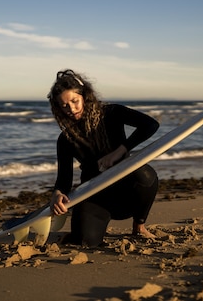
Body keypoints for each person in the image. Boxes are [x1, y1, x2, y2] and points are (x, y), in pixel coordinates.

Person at [48, 69, 160, 247]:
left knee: (144, 173)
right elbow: (64, 178)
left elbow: (150, 125)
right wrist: (57, 194)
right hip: (96, 195)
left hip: (127, 192)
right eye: (64, 106)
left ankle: (139, 226)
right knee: (86, 242)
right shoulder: (65, 139)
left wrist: (119, 151)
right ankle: (80, 230)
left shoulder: (112, 113)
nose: (71, 109)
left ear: (84, 96)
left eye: (75, 101)